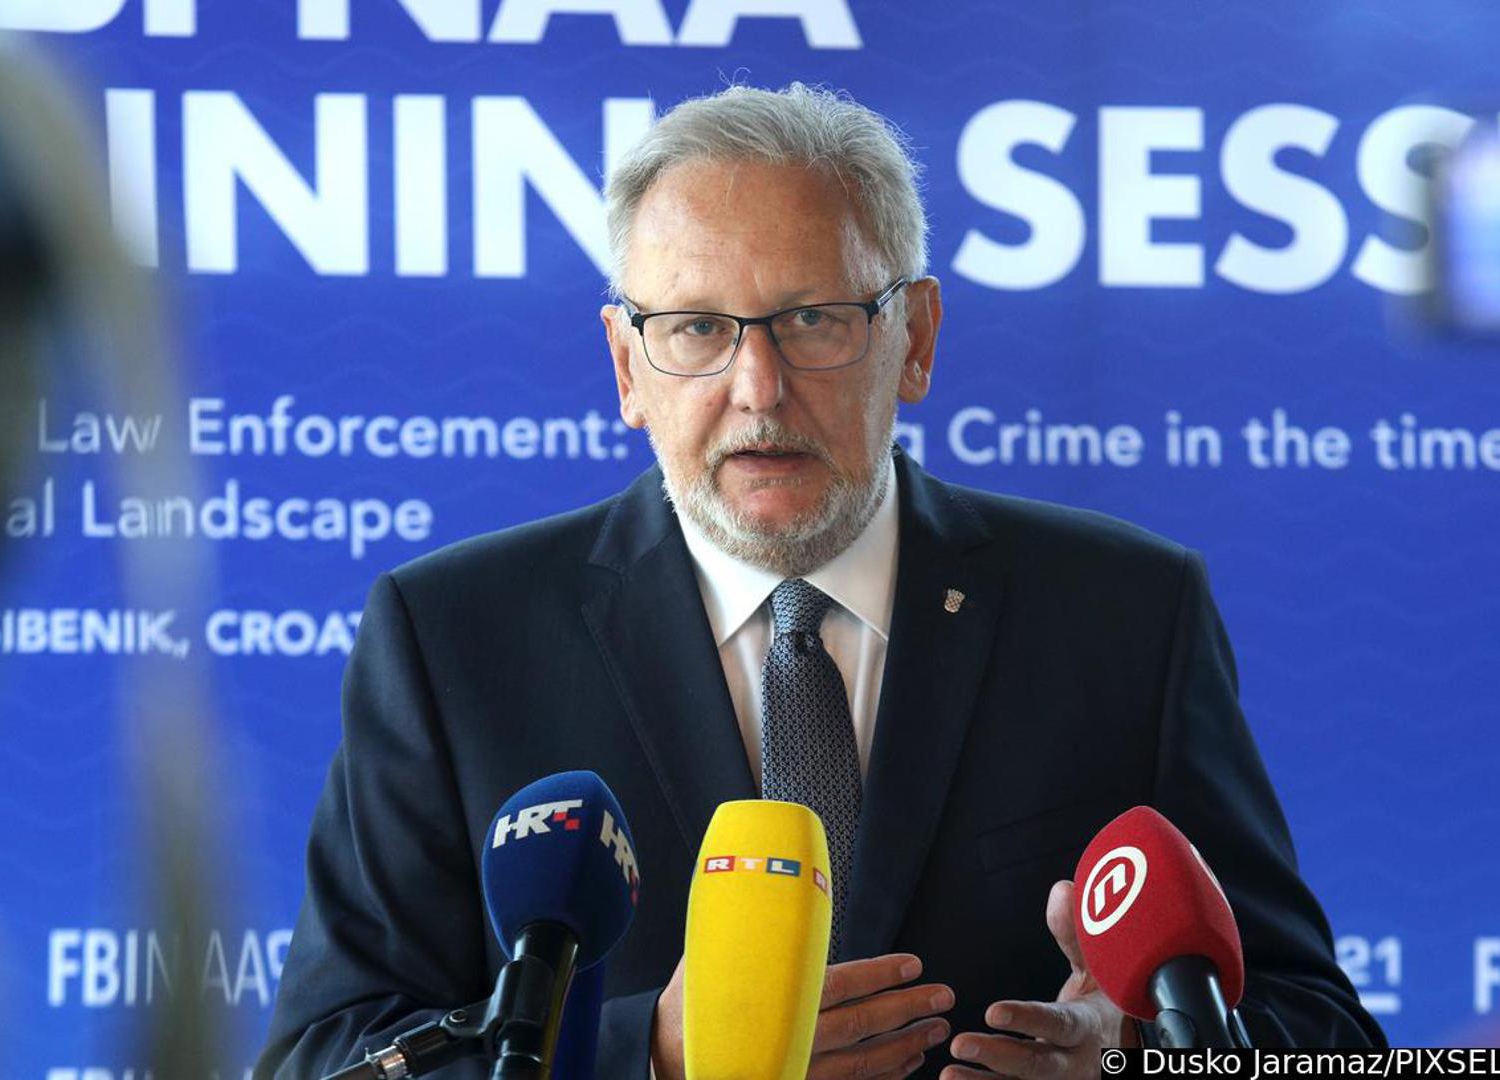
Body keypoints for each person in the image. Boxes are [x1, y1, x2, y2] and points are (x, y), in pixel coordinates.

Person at [259, 83, 1382, 1078]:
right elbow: (327, 1055)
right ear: (626, 367)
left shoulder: (1123, 613)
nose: (756, 386)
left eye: (812, 319)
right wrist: (647, 1055)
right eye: (695, 327)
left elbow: (1324, 1036)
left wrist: (1140, 1055)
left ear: (916, 338)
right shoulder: (454, 637)